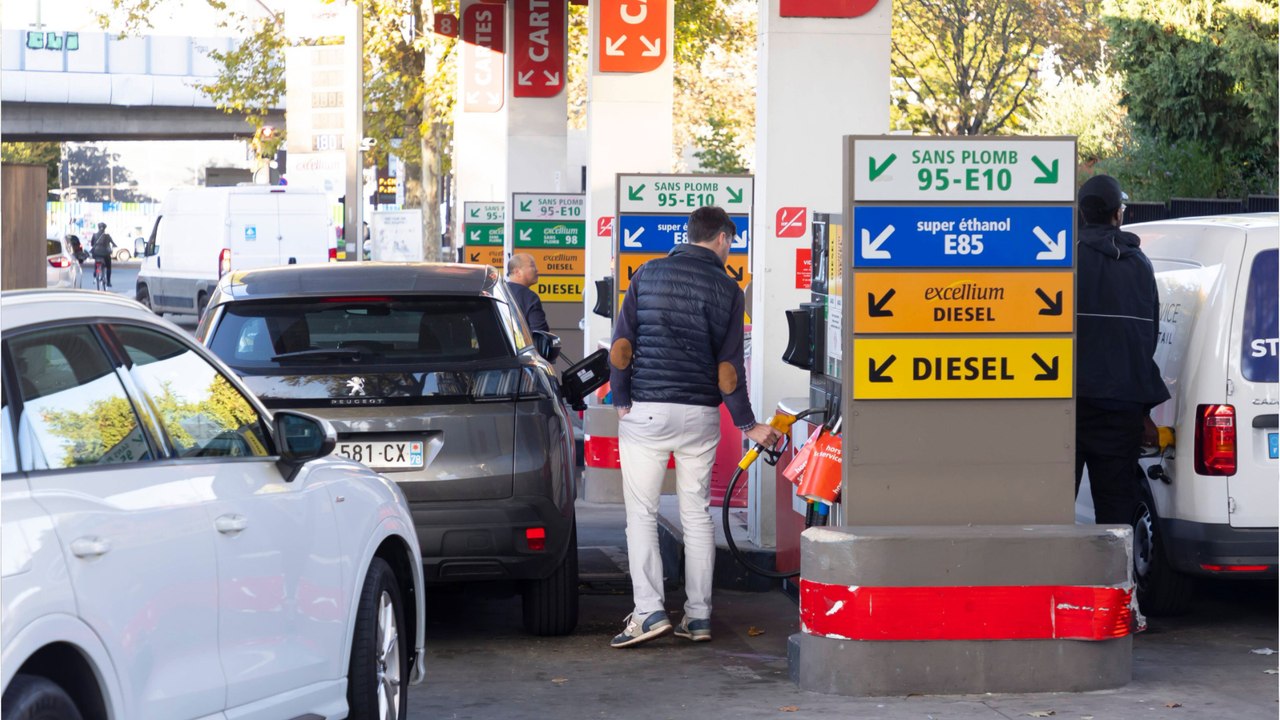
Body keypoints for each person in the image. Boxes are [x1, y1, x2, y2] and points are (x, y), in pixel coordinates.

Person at [607, 205, 779, 648]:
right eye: (731, 242)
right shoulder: (728, 288)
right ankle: (698, 616)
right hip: (699, 416)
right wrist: (748, 423)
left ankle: (648, 612)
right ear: (721, 238)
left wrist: (621, 398)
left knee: (641, 514)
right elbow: (728, 368)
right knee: (697, 515)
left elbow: (622, 345)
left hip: (646, 409)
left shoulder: (646, 274)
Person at [1075, 175, 1170, 525]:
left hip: (1064, 405)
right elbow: (1147, 339)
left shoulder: (1062, 259)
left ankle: (1054, 579)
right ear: (1117, 214)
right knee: (1115, 517)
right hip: (1120, 411)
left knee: (1051, 513)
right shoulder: (1138, 264)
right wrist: (1143, 409)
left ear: (1082, 214)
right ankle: (1113, 579)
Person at [505, 253, 549, 333]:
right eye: (532, 266)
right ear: (517, 272)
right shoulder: (529, 297)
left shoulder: (500, 292)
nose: (537, 270)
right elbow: (540, 335)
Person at [90, 222, 117, 287]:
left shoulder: (94, 235)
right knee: (108, 267)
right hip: (106, 254)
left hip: (96, 253)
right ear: (105, 228)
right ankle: (108, 282)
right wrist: (114, 245)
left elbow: (92, 244)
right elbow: (113, 243)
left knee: (97, 260)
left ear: (98, 228)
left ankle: (95, 272)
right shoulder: (107, 236)